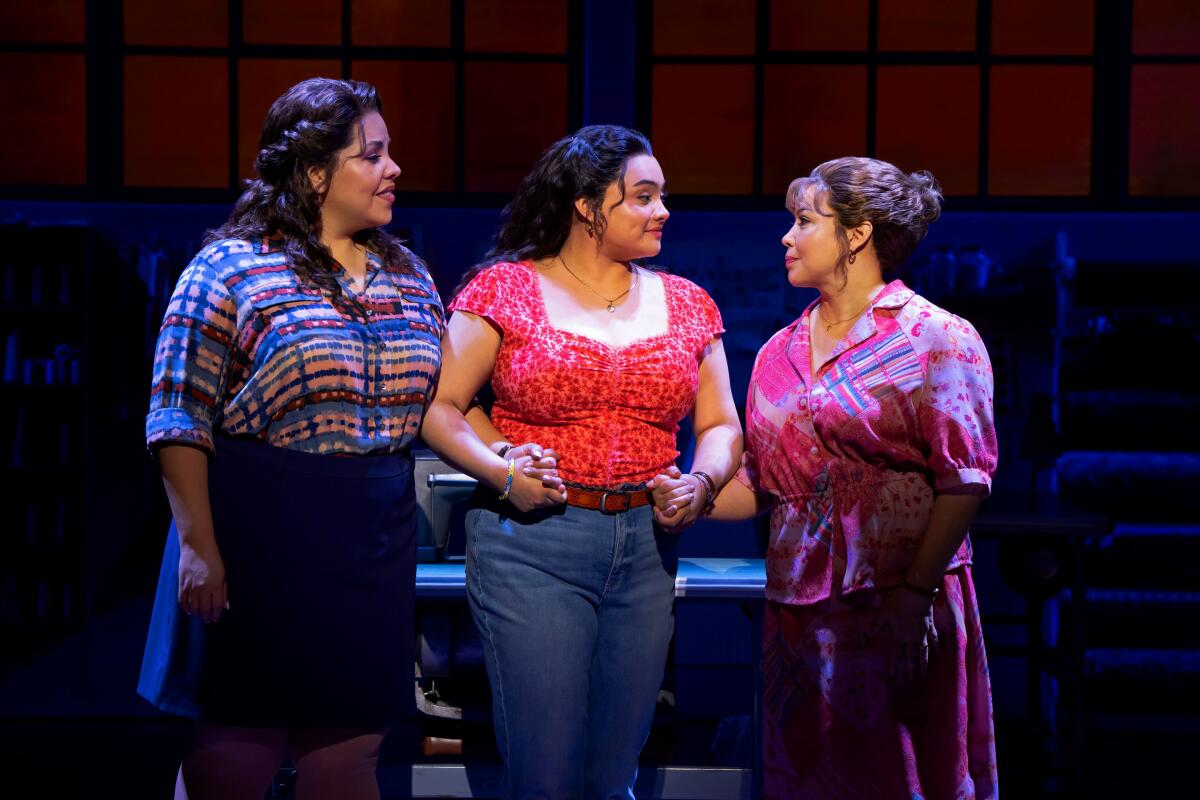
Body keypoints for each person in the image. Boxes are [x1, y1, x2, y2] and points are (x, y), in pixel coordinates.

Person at [137, 77, 442, 800]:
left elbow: (436, 400)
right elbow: (177, 416)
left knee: (349, 751)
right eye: (372, 154)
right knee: (236, 750)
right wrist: (198, 545)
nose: (393, 168)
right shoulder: (230, 270)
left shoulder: (408, 275)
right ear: (314, 172)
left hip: (372, 530)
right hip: (259, 526)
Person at [420, 124, 743, 799]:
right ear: (588, 207)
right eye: (643, 197)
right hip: (534, 541)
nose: (663, 211)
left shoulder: (688, 303)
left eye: (662, 197)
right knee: (545, 773)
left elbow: (719, 425)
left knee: (611, 774)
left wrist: (703, 480)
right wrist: (504, 470)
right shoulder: (504, 290)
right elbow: (443, 406)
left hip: (645, 546)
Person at [710, 157, 999, 798]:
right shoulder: (776, 353)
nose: (787, 236)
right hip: (800, 620)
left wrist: (914, 594)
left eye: (805, 221)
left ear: (858, 233)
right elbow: (762, 483)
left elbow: (966, 480)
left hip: (897, 604)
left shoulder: (936, 338)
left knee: (903, 777)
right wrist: (688, 493)